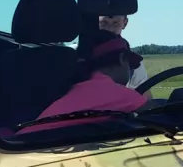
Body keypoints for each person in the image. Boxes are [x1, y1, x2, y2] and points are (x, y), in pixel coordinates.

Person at [19, 30, 148, 133]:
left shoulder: (78, 84)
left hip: (25, 141)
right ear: (122, 59)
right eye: (130, 65)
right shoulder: (117, 93)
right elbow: (155, 111)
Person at [96, 9, 148, 89]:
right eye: (104, 23)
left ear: (125, 23)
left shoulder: (133, 62)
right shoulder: (78, 56)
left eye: (115, 23)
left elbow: (144, 94)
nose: (109, 29)